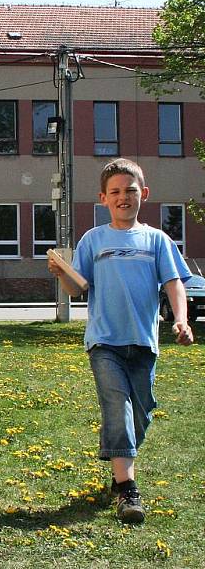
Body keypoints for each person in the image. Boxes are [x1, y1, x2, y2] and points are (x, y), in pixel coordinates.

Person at [48, 157, 194, 524]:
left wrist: (180, 320)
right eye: (115, 192)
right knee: (117, 406)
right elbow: (78, 287)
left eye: (130, 190)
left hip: (144, 343)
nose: (123, 197)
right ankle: (127, 489)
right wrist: (61, 272)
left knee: (141, 411)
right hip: (104, 342)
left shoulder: (156, 239)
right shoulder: (93, 239)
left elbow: (174, 282)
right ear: (103, 198)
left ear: (143, 194)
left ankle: (118, 458)